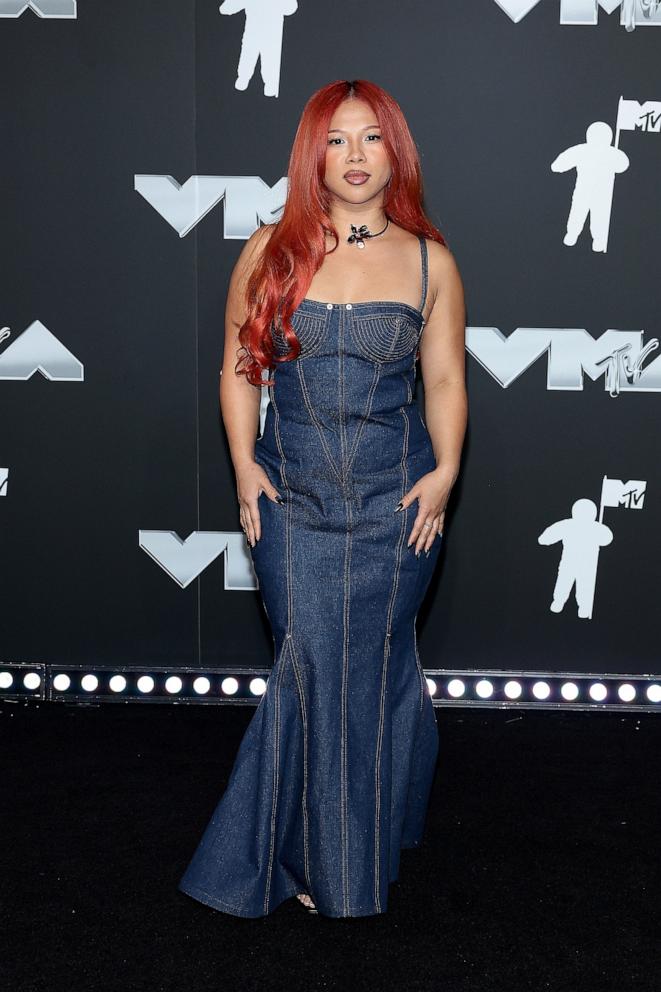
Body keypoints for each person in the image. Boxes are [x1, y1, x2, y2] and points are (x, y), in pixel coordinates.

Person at [178, 78, 467, 918]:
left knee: (376, 667)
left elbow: (444, 378)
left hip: (396, 501)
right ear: (313, 152)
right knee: (310, 661)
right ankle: (311, 860)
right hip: (292, 495)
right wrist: (243, 466)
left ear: (394, 152)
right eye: (335, 139)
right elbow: (240, 368)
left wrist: (444, 472)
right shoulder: (271, 247)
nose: (353, 156)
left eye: (370, 138)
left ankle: (364, 833)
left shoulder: (427, 260)